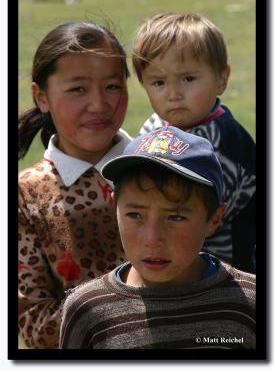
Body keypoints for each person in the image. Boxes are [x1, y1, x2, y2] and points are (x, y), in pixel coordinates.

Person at [59, 126, 256, 350]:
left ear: (214, 218)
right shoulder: (87, 310)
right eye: (135, 215)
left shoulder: (250, 303)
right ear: (114, 208)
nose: (152, 239)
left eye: (176, 217)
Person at [18, 21, 132, 349]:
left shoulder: (160, 167)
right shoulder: (26, 194)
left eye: (112, 86)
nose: (99, 104)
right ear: (42, 97)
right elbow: (36, 325)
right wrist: (132, 303)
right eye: (78, 89)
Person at [131, 12, 256, 273]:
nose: (174, 94)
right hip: (166, 259)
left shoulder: (223, 141)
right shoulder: (155, 125)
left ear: (221, 79)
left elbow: (203, 216)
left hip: (221, 273)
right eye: (159, 82)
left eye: (188, 79)